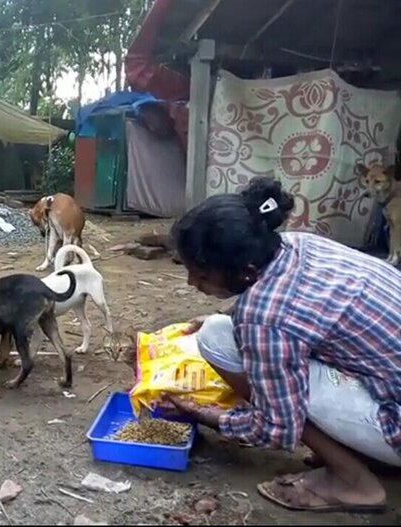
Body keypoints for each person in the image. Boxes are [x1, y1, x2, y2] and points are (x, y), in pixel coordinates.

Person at [167, 176, 401, 513]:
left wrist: (212, 417)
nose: (192, 283)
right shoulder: (294, 244)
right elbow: (300, 309)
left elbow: (278, 429)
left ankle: (352, 482)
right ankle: (361, 452)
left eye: (201, 275)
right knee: (225, 331)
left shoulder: (263, 318)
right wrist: (238, 320)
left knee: (221, 344)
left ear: (247, 273)